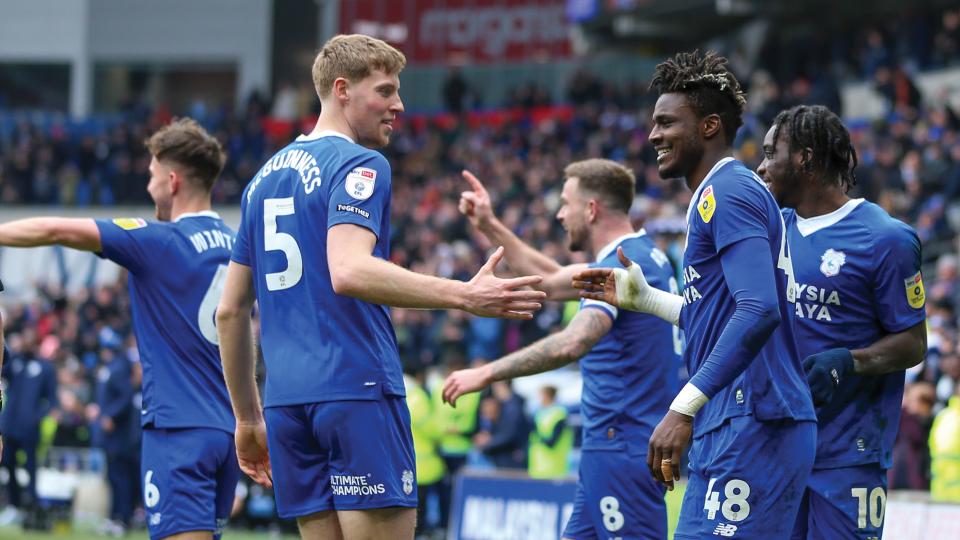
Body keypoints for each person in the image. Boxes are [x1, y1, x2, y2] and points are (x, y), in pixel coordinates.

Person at [215, 34, 545, 540]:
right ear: (342, 90)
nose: (399, 105)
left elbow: (231, 313)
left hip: (286, 404)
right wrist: (464, 295)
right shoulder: (359, 164)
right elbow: (348, 270)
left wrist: (246, 418)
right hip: (355, 389)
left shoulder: (262, 179)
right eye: (386, 91)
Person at [573, 50, 816, 539]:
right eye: (653, 123)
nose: (653, 135)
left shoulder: (728, 192)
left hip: (756, 417)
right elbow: (726, 312)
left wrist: (682, 405)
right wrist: (649, 301)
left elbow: (758, 308)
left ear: (708, 126)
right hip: (734, 416)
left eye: (667, 123)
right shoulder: (716, 195)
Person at [0, 117, 240, 540]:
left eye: (151, 176)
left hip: (177, 430)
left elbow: (55, 229)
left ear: (172, 180)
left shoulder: (159, 240)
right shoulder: (235, 243)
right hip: (225, 432)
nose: (148, 188)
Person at [443, 159, 680, 538]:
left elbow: (574, 341)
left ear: (591, 209)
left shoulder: (618, 268)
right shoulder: (644, 255)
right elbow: (550, 282)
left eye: (566, 202)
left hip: (620, 443)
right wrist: (487, 223)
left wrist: (486, 372)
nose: (559, 213)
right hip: (617, 444)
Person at [757, 104, 927, 539]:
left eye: (770, 153)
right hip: (778, 448)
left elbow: (913, 342)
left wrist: (849, 361)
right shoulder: (773, 231)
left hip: (848, 453)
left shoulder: (885, 238)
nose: (761, 167)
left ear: (805, 159)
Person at [0, 336, 57, 525]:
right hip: (9, 425)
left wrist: (37, 416)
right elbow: (2, 368)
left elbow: (51, 400)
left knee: (30, 467)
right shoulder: (15, 362)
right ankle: (14, 504)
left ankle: (31, 506)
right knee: (7, 463)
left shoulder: (46, 368)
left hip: (29, 428)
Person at [527, 385, 573, 480]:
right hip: (537, 468)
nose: (538, 399)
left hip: (554, 468)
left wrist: (539, 438)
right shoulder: (540, 414)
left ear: (546, 396)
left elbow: (551, 441)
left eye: (540, 396)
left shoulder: (559, 415)